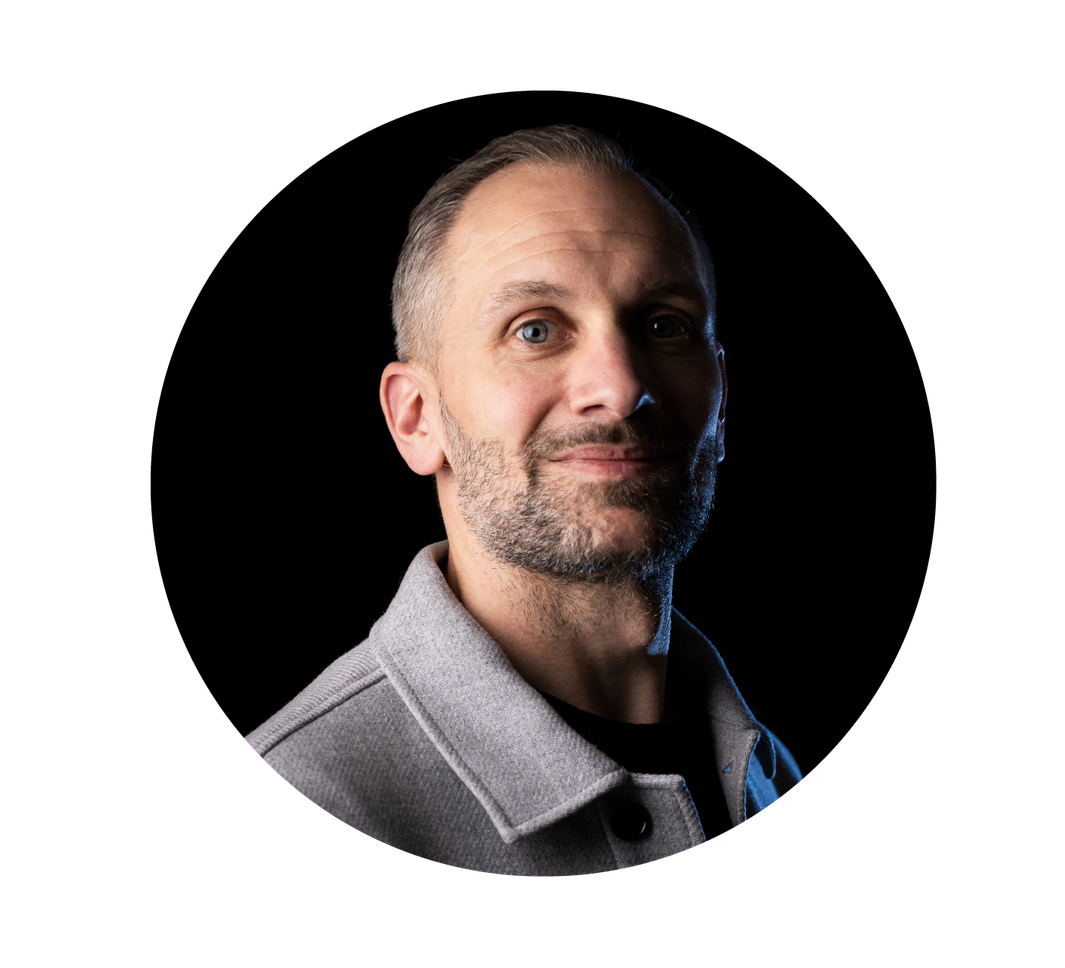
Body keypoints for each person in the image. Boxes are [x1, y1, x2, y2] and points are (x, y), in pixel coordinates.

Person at [244, 124, 802, 874]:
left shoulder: (768, 770)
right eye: (535, 329)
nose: (621, 387)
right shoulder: (313, 788)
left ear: (723, 403)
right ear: (416, 419)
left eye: (664, 325)